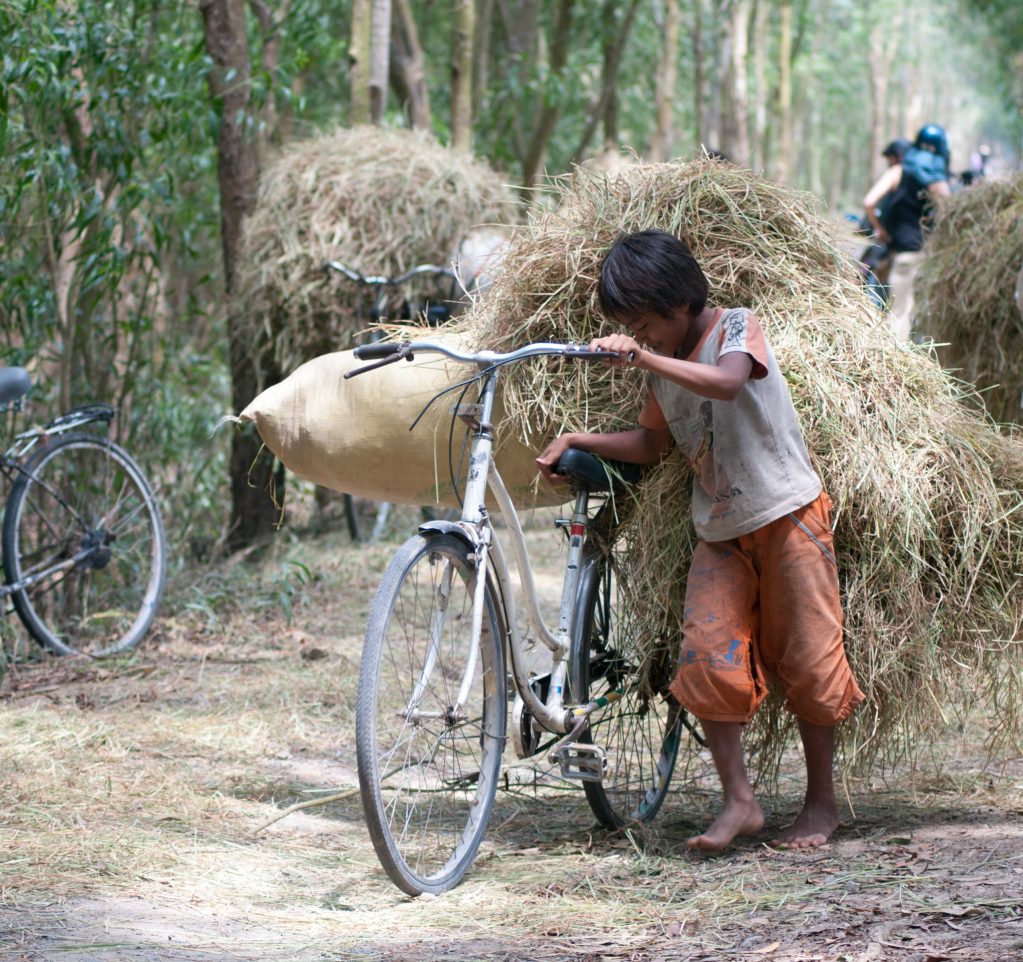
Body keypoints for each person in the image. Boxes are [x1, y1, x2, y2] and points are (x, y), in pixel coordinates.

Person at [535, 229, 864, 851]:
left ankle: (821, 804)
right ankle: (740, 802)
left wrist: (644, 358)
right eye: (631, 327)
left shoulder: (736, 326)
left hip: (790, 516)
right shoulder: (658, 367)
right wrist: (580, 439)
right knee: (706, 654)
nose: (641, 335)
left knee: (809, 658)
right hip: (718, 530)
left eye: (642, 323)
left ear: (677, 302)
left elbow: (727, 382)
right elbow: (651, 444)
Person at [869, 124, 951, 339]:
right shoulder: (937, 179)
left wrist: (880, 230)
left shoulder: (898, 170)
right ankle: (897, 367)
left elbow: (868, 202)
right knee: (906, 314)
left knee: (896, 311)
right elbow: (949, 212)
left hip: (898, 253)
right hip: (923, 255)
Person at [859, 138, 912, 305]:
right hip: (911, 248)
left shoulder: (896, 173)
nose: (889, 162)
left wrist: (879, 228)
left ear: (898, 157)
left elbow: (869, 202)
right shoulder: (919, 179)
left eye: (890, 157)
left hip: (888, 245)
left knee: (869, 288)